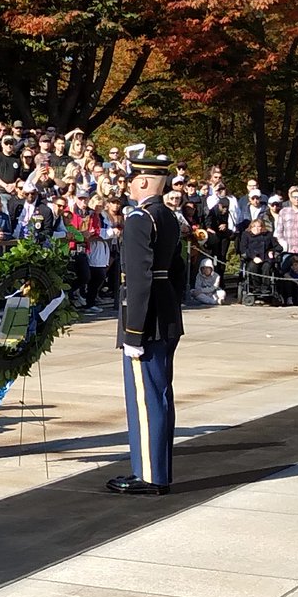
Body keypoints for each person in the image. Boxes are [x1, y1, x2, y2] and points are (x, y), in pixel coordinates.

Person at [107, 158, 185, 497]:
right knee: (161, 395)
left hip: (146, 321)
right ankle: (158, 469)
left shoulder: (140, 217)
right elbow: (179, 269)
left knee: (146, 398)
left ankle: (150, 475)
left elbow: (138, 280)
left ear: (140, 183)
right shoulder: (168, 215)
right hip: (165, 313)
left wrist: (133, 332)